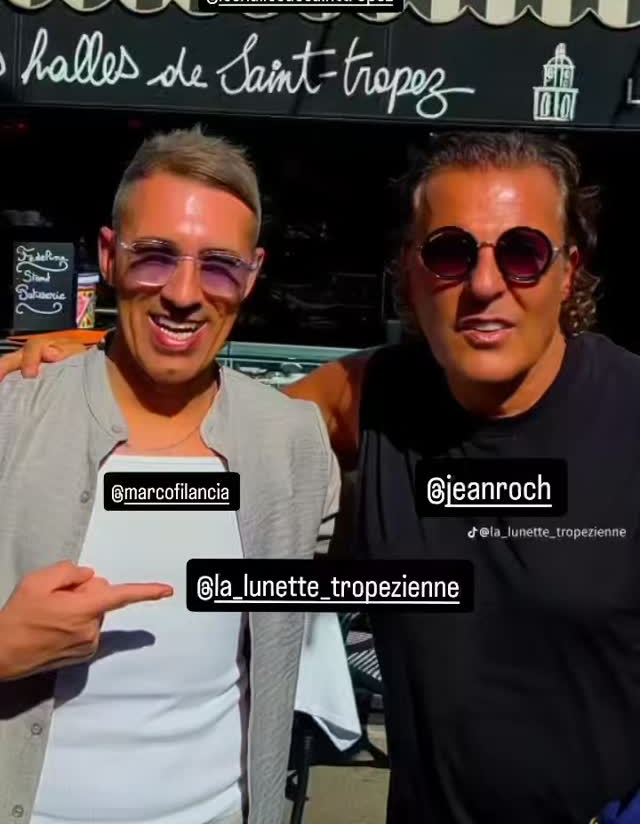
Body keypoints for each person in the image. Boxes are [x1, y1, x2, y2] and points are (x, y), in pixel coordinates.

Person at [9, 129, 640, 824]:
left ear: (568, 272)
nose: (485, 284)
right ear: (410, 274)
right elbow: (201, 421)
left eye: (522, 253)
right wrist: (93, 360)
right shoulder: (372, 397)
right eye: (450, 252)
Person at [0, 127, 339, 824]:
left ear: (251, 276)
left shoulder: (291, 446)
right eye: (155, 256)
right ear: (109, 257)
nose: (184, 294)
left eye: (219, 266)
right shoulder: (14, 416)